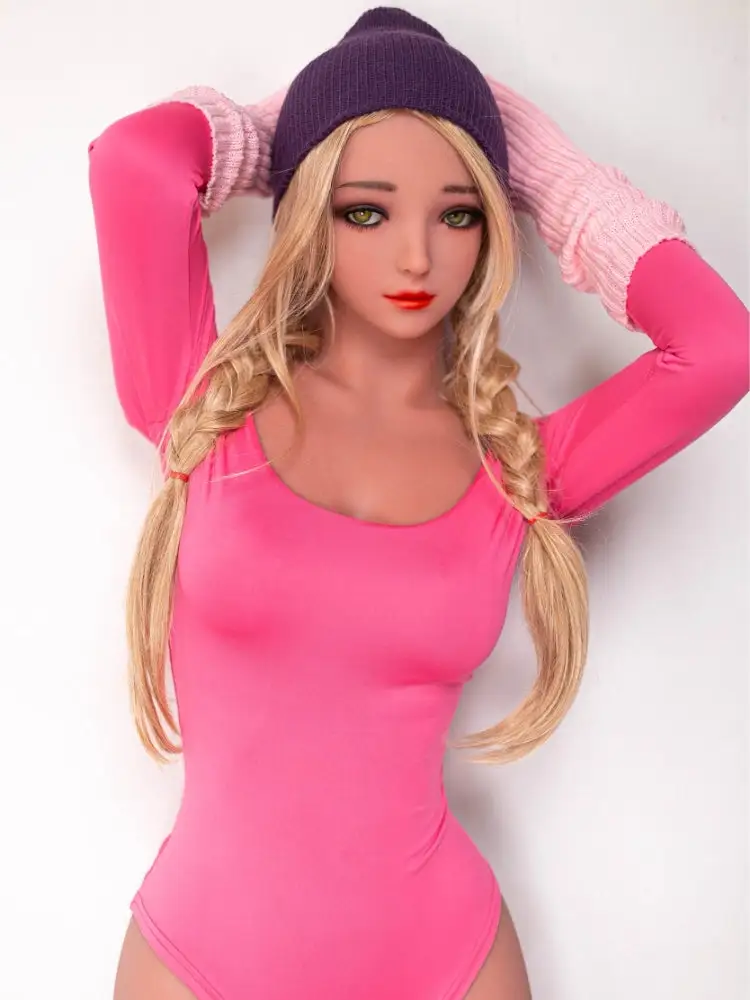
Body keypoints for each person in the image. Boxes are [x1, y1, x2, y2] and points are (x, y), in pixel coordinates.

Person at [88, 7, 748, 1000]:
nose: (416, 258)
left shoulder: (516, 470)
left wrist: (549, 175)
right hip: (204, 958)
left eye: (459, 212)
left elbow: (719, 347)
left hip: (447, 959)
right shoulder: (202, 406)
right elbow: (135, 162)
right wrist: (289, 127)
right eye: (367, 210)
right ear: (311, 210)